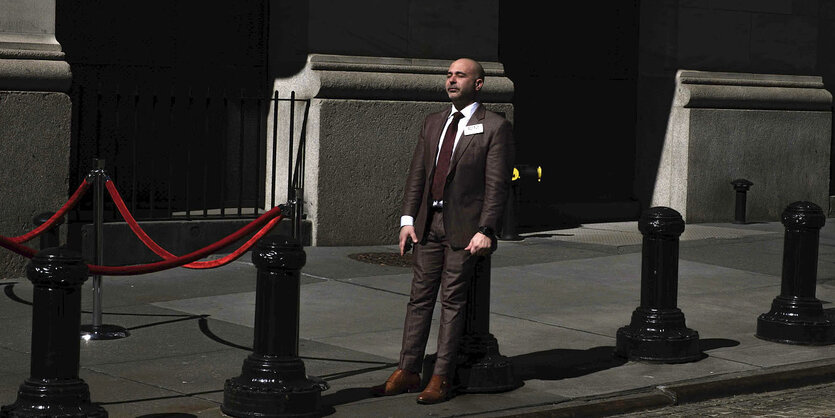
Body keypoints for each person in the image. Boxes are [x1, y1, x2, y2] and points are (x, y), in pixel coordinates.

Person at [371, 58, 514, 404]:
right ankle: (408, 369)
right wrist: (407, 220)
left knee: (452, 302)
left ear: (477, 84)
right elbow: (417, 175)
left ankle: (441, 376)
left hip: (464, 230)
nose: (451, 80)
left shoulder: (493, 126)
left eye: (459, 76)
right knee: (418, 299)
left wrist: (486, 229)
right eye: (449, 75)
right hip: (427, 225)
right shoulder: (434, 122)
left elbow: (496, 186)